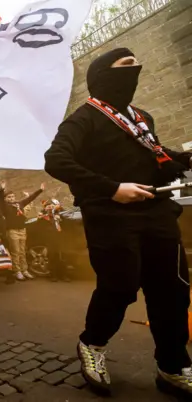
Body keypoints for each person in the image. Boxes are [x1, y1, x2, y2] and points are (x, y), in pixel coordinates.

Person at [45, 48, 192, 398]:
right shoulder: (83, 119)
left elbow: (157, 156)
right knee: (120, 287)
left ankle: (171, 366)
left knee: (172, 290)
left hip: (157, 213)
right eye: (126, 65)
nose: (136, 69)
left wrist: (184, 158)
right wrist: (113, 189)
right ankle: (92, 344)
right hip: (110, 217)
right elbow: (56, 161)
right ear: (102, 74)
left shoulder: (142, 117)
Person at [3, 184, 44, 281]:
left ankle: (24, 270)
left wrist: (40, 190)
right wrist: (1, 190)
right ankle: (17, 271)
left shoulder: (19, 204)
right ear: (5, 199)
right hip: (12, 230)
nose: (11, 198)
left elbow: (30, 198)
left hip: (22, 230)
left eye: (13, 196)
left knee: (22, 251)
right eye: (9, 197)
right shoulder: (4, 206)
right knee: (15, 252)